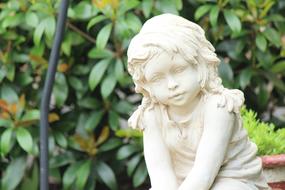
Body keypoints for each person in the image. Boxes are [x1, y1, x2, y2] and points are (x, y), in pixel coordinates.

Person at [127, 14, 270, 190]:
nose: (172, 84)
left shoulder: (218, 107)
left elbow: (204, 173)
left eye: (179, 69)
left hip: (233, 180)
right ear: (146, 84)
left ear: (200, 63)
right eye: (157, 78)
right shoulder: (151, 115)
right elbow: (160, 173)